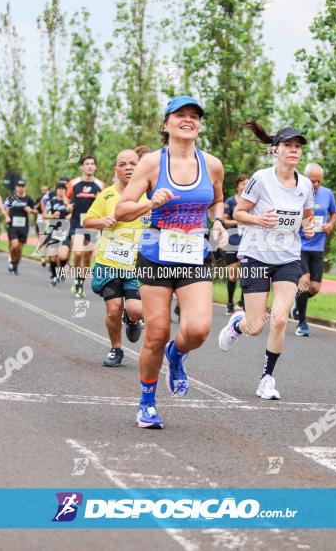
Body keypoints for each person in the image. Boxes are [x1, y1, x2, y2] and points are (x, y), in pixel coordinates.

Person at [116, 95, 226, 429]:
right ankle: (147, 401)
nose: (188, 120)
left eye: (195, 116)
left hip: (194, 256)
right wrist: (149, 202)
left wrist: (218, 221)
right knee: (157, 331)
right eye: (180, 115)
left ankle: (176, 356)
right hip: (155, 254)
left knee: (197, 330)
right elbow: (121, 210)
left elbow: (218, 200)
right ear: (166, 124)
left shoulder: (212, 164)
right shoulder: (151, 163)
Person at [217, 122, 315, 400]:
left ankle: (266, 379)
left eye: (297, 146)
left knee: (281, 320)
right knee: (255, 326)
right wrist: (259, 219)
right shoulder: (260, 178)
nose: (294, 150)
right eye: (288, 145)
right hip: (257, 255)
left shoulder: (305, 184)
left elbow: (307, 218)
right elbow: (238, 212)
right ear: (276, 150)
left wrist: (309, 226)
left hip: (288, 259)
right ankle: (239, 323)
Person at [83, 149, 149, 367]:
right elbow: (88, 221)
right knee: (113, 309)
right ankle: (116, 349)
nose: (129, 167)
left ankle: (132, 321)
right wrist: (103, 220)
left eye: (133, 163)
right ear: (116, 170)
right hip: (109, 262)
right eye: (123, 164)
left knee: (136, 309)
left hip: (137, 265)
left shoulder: (149, 195)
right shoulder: (107, 195)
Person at [291, 163, 336, 336]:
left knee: (314, 288)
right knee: (304, 281)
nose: (316, 184)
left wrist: (330, 225)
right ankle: (302, 323)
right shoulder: (297, 192)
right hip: (300, 245)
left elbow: (335, 213)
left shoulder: (327, 194)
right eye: (313, 181)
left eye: (319, 181)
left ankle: (298, 302)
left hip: (318, 247)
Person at [66, 157, 105, 299]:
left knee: (88, 256)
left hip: (92, 224)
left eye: (92, 164)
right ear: (82, 167)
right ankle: (77, 277)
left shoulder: (100, 185)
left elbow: (103, 203)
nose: (89, 166)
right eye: (87, 164)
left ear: (95, 167)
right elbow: (67, 198)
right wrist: (68, 206)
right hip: (77, 223)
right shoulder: (74, 183)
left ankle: (80, 282)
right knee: (77, 253)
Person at [222, 174, 248, 314]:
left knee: (246, 271)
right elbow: (224, 221)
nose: (245, 186)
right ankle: (230, 302)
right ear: (237, 186)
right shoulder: (231, 201)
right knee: (233, 274)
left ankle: (242, 301)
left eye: (247, 184)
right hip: (232, 239)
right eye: (243, 183)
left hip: (248, 240)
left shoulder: (252, 201)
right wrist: (239, 220)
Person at [2, 179, 36, 276]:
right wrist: (7, 216)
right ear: (16, 187)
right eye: (19, 186)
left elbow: (35, 211)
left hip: (23, 226)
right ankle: (12, 260)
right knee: (14, 245)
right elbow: (5, 209)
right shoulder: (12, 198)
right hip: (12, 225)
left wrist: (31, 210)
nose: (21, 188)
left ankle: (15, 265)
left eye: (22, 186)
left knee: (20, 249)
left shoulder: (28, 199)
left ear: (24, 187)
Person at [41, 182, 71, 285]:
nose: (61, 190)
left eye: (63, 189)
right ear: (56, 190)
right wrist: (53, 216)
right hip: (54, 230)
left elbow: (73, 212)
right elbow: (44, 215)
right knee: (53, 256)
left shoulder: (68, 202)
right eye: (59, 188)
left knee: (63, 256)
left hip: (65, 231)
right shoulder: (51, 201)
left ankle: (61, 271)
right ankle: (54, 276)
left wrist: (69, 215)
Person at [34, 184, 50, 267]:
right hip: (40, 218)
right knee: (42, 239)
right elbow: (34, 209)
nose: (44, 192)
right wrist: (38, 205)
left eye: (46, 190)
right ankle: (43, 258)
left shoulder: (51, 199)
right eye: (43, 190)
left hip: (50, 219)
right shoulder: (39, 199)